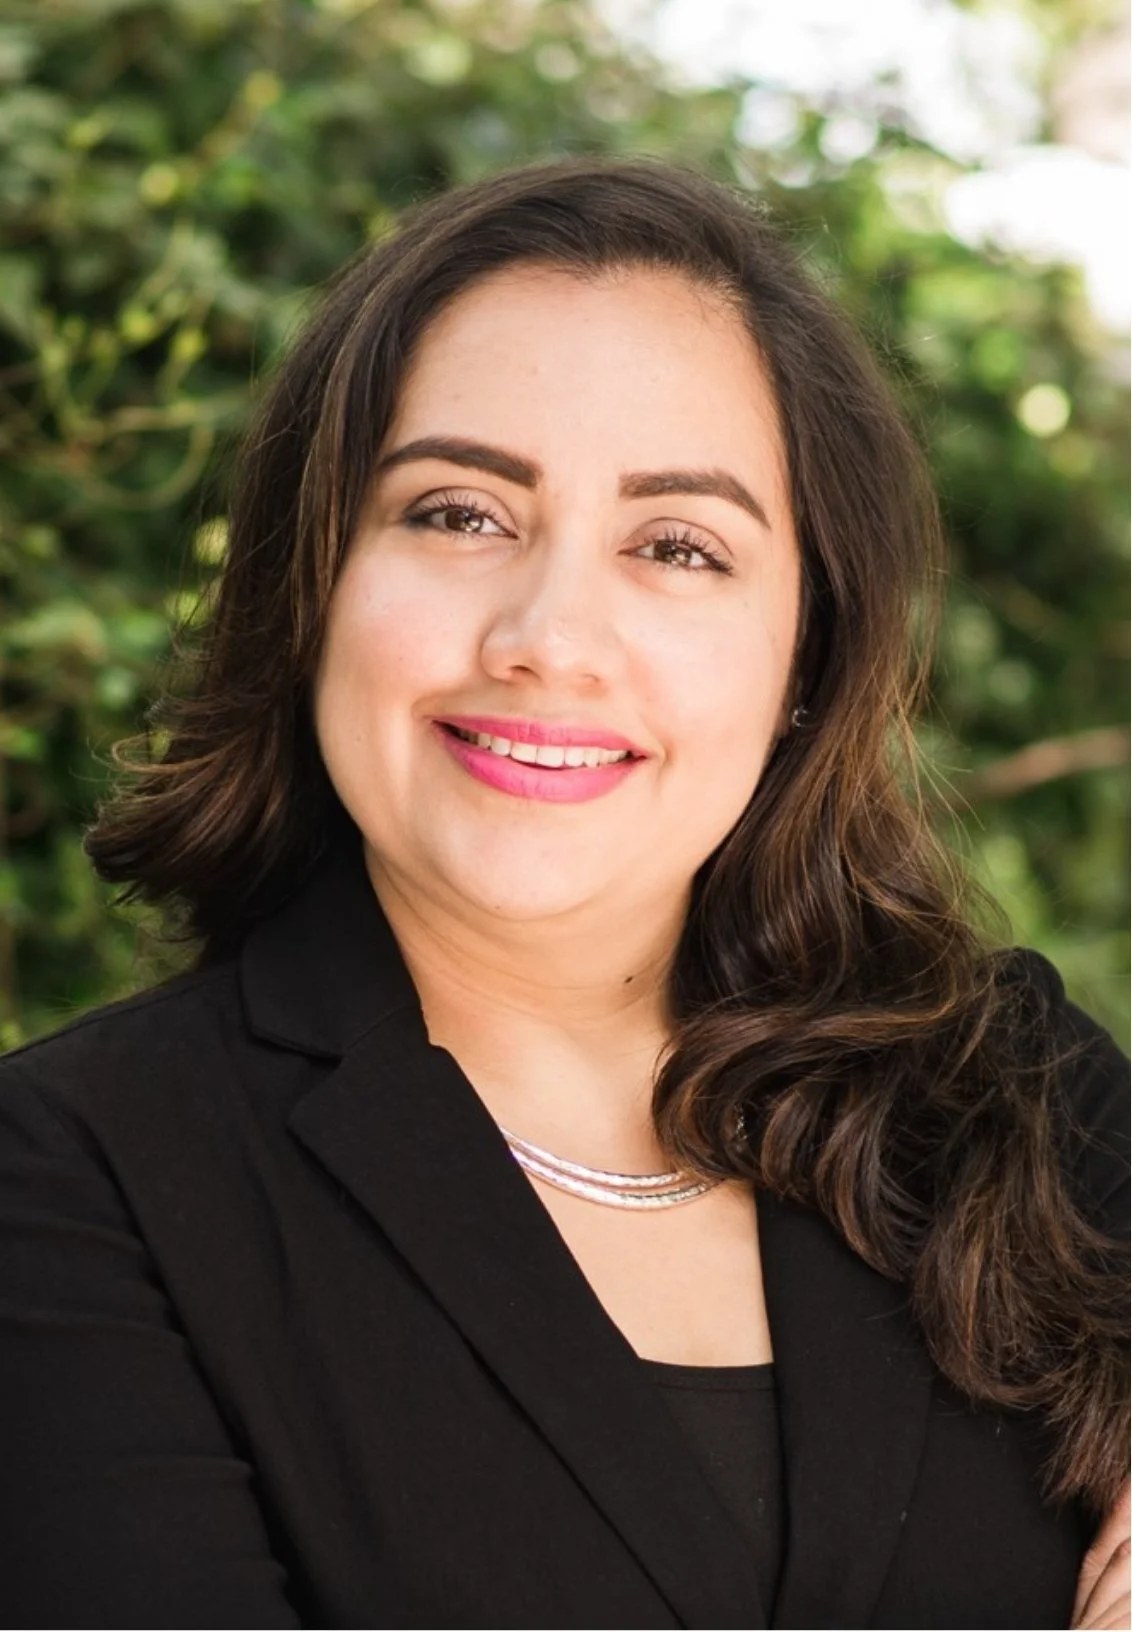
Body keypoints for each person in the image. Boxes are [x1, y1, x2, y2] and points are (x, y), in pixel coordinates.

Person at [0, 158, 1127, 1631]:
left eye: (676, 546)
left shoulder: (1022, 1097)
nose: (550, 636)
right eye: (460, 514)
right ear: (315, 580)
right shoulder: (79, 1188)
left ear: (806, 655)